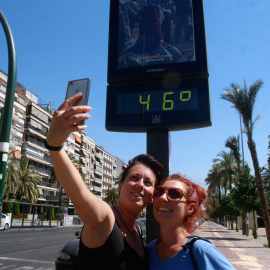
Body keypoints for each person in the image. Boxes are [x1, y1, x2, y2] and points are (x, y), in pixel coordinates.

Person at [45, 93, 163, 270]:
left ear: (152, 196)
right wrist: (55, 147)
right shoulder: (106, 219)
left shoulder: (137, 231)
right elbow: (82, 198)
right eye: (134, 178)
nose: (140, 184)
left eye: (148, 183)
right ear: (120, 185)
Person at [146, 173, 235, 269]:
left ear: (190, 208)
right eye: (159, 192)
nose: (162, 197)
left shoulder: (202, 251)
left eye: (174, 194)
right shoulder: (149, 250)